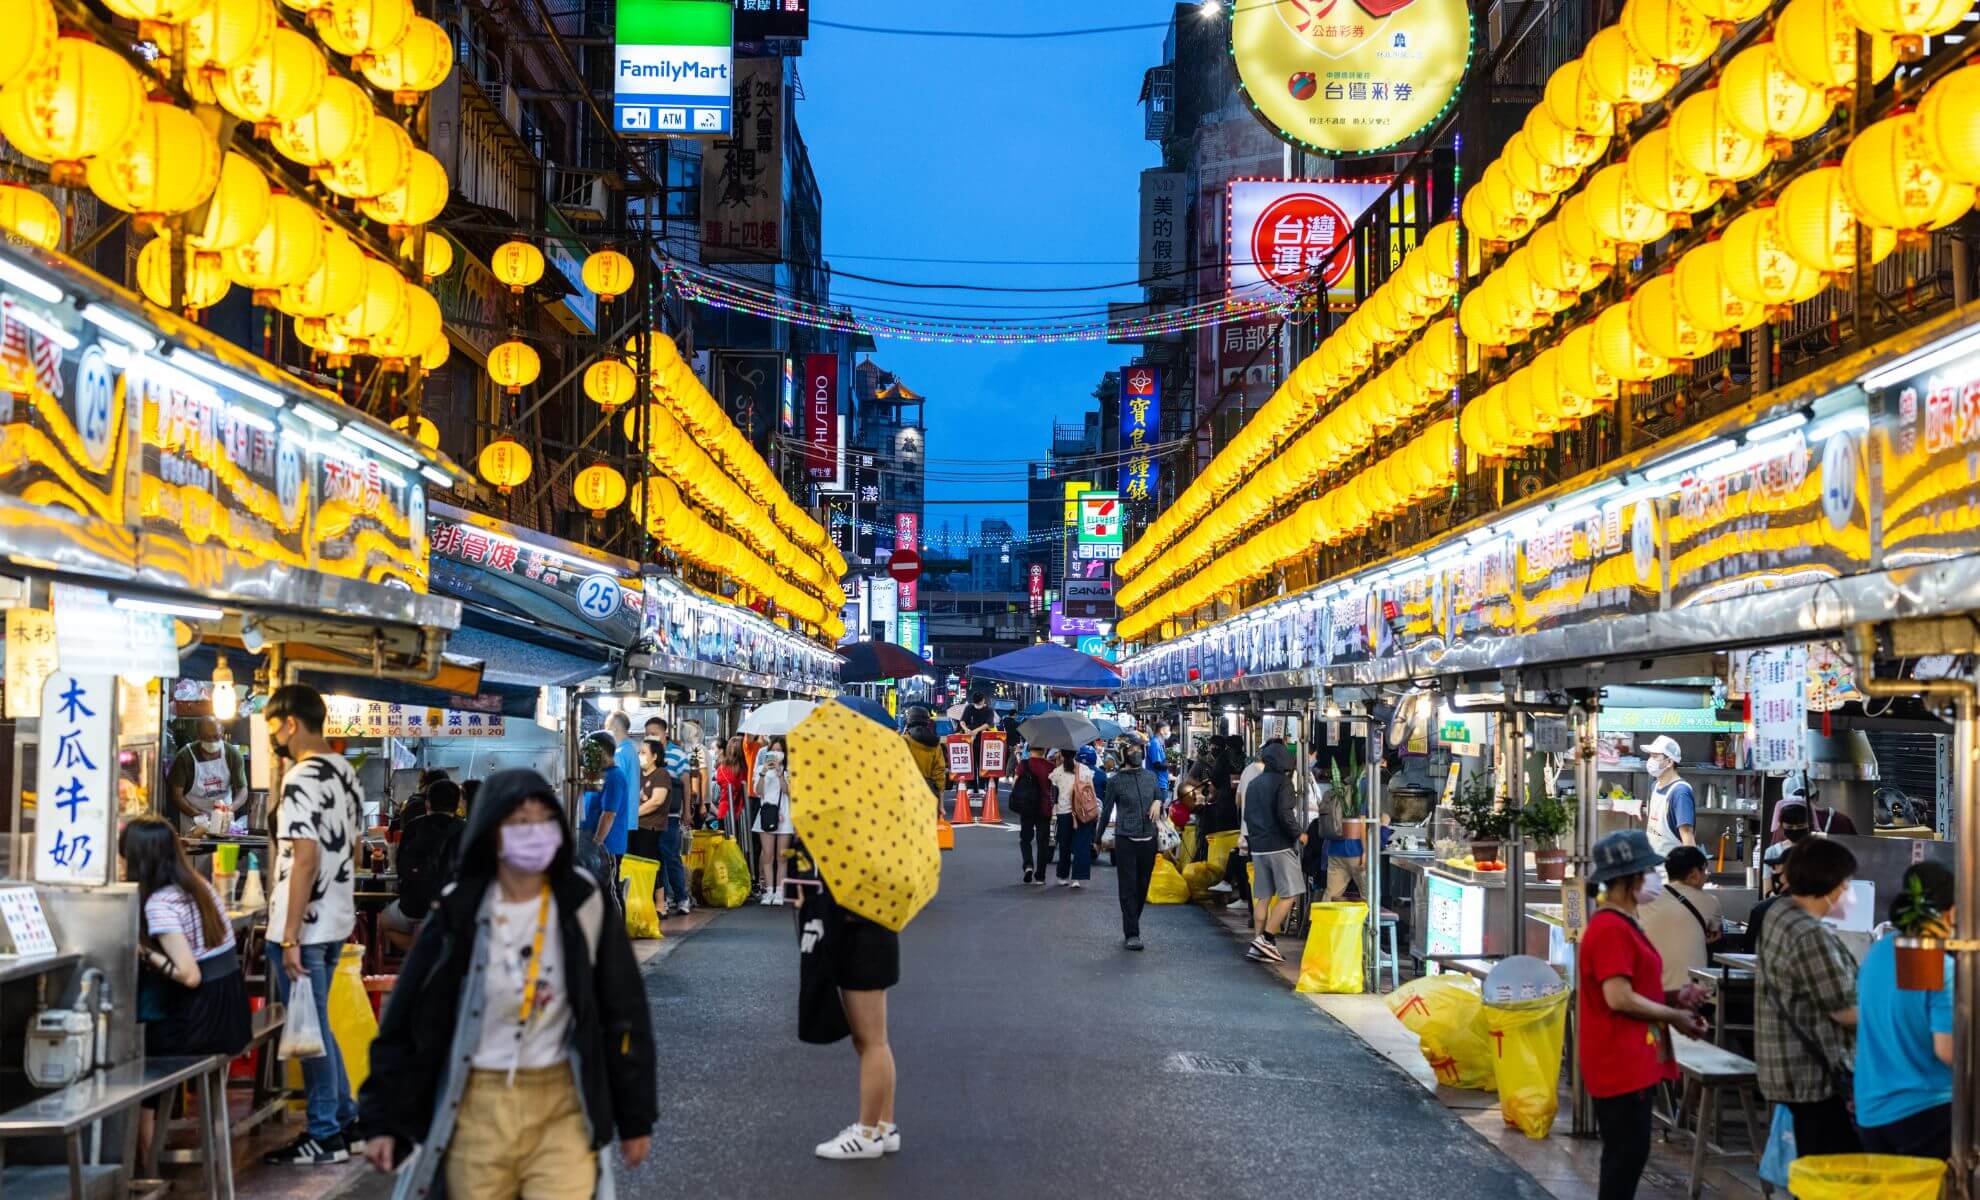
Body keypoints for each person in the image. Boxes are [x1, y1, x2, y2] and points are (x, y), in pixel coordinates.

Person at [355, 768, 655, 1196]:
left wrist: (635, 1115)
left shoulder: (582, 903)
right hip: (477, 1104)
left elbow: (625, 1011)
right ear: (490, 832)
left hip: (562, 1104)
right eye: (517, 823)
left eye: (541, 822)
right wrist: (383, 1117)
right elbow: (405, 1019)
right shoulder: (459, 909)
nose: (531, 834)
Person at [261, 684, 366, 1165]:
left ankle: (324, 1131)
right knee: (317, 1024)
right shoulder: (345, 772)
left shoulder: (302, 777)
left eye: (273, 727)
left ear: (291, 723)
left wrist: (289, 934)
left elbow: (303, 857)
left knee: (310, 1030)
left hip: (303, 923)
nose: (273, 738)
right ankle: (346, 1121)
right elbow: (356, 850)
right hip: (337, 915)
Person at [1578, 830, 1711, 1200]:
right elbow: (1618, 997)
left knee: (1629, 1155)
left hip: (1633, 1059)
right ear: (1628, 879)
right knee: (1625, 1158)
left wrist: (1677, 997)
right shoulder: (1609, 928)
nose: (1653, 877)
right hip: (1618, 1062)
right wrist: (1673, 1015)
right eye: (1646, 871)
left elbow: (1633, 989)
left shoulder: (1625, 923)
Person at [123, 816, 251, 1163]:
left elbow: (189, 975)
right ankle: (146, 1156)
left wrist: (144, 953)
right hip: (232, 1012)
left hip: (206, 1022)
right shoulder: (198, 885)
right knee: (149, 1037)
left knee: (137, 1050)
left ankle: (145, 1162)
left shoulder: (159, 903)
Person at [1756, 836, 1862, 1154]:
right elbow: (1844, 1011)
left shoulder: (1780, 913)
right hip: (1813, 1076)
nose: (1848, 890)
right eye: (1845, 882)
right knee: (1830, 1168)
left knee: (1814, 1166)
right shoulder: (1809, 935)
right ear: (1828, 882)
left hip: (1789, 1067)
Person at [1855, 861, 1956, 1158]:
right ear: (1949, 913)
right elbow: (1947, 1051)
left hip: (1872, 1110)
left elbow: (1907, 1020)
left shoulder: (1880, 951)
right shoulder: (1934, 963)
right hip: (1923, 1111)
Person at [1242, 740, 1304, 963]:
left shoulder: (1255, 783)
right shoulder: (1284, 783)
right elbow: (1285, 815)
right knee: (1290, 894)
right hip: (1279, 846)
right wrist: (1300, 834)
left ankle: (1257, 944)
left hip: (1258, 847)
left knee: (1264, 897)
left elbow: (1247, 814)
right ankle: (1266, 939)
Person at [385, 780, 466, 953]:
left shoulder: (413, 826)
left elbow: (400, 866)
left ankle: (419, 951)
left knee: (383, 922)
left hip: (413, 908)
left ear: (428, 803)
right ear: (458, 804)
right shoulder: (465, 829)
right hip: (452, 909)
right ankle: (434, 950)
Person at [1638, 845, 1723, 994]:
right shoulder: (1710, 901)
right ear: (1694, 875)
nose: (1706, 875)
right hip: (1692, 994)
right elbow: (1714, 935)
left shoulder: (1645, 898)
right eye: (1704, 870)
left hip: (1649, 989)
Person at [1106, 743, 1163, 950]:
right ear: (1123, 754)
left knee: (1142, 886)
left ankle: (1133, 920)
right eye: (1131, 750)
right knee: (1128, 888)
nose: (1135, 753)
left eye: (1138, 749)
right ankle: (1132, 932)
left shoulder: (1151, 777)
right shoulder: (1116, 781)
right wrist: (1097, 837)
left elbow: (1160, 794)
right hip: (1125, 840)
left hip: (1149, 839)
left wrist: (1158, 801)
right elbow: (1106, 810)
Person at [167, 715, 248, 832]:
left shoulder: (232, 754)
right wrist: (196, 814)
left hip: (224, 820)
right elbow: (176, 795)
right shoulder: (185, 757)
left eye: (216, 736)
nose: (212, 741)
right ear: (198, 735)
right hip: (193, 821)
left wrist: (231, 808)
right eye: (206, 737)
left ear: (222, 732)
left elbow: (243, 790)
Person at [579, 731, 630, 891]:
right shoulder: (598, 775)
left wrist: (596, 843)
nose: (587, 757)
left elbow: (609, 815)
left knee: (610, 892)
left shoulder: (615, 776)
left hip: (607, 848)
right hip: (592, 845)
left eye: (590, 751)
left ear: (602, 751)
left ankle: (617, 916)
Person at [1047, 748, 1099, 888]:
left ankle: (1063, 876)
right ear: (1075, 754)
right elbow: (1091, 790)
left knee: (1064, 845)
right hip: (1083, 811)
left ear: (1062, 755)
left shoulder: (1057, 772)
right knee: (1081, 845)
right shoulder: (1085, 769)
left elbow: (1053, 791)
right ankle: (1077, 878)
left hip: (1064, 812)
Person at [1639, 735, 1696, 855]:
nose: (1650, 761)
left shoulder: (1680, 792)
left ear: (1669, 762)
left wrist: (1693, 868)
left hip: (1671, 869)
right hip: (1654, 863)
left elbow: (1687, 835)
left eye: (1655, 757)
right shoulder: (1655, 786)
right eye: (1650, 756)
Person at [752, 736, 792, 906]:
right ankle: (769, 891)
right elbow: (758, 791)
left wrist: (780, 773)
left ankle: (780, 892)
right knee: (768, 855)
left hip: (784, 815)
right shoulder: (761, 768)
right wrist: (763, 773)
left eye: (779, 750)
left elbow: (789, 791)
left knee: (781, 857)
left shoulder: (788, 770)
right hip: (766, 814)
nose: (776, 753)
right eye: (773, 750)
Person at [1013, 744, 1054, 885]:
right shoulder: (1050, 766)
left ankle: (1028, 865)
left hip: (1027, 808)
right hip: (1044, 808)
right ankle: (1040, 876)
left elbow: (1015, 785)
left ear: (1029, 750)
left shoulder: (1023, 765)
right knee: (1043, 843)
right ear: (1044, 749)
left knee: (1025, 839)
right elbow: (1054, 788)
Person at [1744, 839, 1793, 953]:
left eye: (1776, 868)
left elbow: (1750, 951)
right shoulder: (1819, 908)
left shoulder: (1762, 909)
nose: (1773, 872)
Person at [900, 706, 949, 806]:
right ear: (927, 721)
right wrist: (941, 805)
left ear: (908, 720)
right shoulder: (935, 744)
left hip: (905, 791)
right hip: (929, 792)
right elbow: (940, 773)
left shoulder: (902, 741)